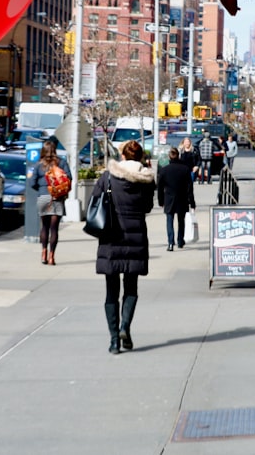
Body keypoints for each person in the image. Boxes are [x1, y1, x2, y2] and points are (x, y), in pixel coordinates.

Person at [90, 140, 155, 354]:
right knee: (131, 287)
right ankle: (125, 327)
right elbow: (147, 207)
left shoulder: (108, 177)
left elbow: (95, 200)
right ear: (140, 158)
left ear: (124, 156)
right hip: (135, 234)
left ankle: (113, 341)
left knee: (111, 291)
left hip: (111, 234)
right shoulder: (145, 180)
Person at [27, 139, 71, 266]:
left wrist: (41, 190)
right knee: (54, 229)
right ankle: (52, 257)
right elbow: (69, 178)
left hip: (43, 197)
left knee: (44, 227)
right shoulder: (61, 163)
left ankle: (43, 252)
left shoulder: (39, 165)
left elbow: (31, 183)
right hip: (57, 198)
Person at [157, 147, 196, 251]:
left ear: (169, 157)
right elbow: (189, 188)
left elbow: (160, 187)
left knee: (169, 220)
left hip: (169, 198)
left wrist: (160, 201)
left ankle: (170, 242)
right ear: (178, 156)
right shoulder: (185, 169)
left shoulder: (164, 170)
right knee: (181, 220)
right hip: (182, 198)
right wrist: (192, 202)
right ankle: (180, 240)